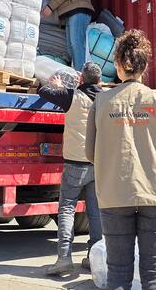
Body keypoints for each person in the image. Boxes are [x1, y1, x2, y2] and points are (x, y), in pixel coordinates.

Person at [86, 30, 156, 290]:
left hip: (114, 194)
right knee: (154, 275)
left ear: (118, 65)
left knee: (117, 274)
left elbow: (88, 153)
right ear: (145, 67)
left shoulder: (101, 101)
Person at [38, 62, 104, 275]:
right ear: (100, 81)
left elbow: (43, 91)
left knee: (67, 209)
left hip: (75, 164)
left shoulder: (71, 96)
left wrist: (57, 85)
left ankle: (64, 258)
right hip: (97, 164)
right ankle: (94, 258)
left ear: (81, 79)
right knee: (95, 213)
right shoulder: (107, 99)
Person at [42, 0, 95, 70]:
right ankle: (77, 71)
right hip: (71, 13)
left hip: (79, 11)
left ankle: (80, 74)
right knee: (71, 47)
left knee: (76, 43)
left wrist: (50, 6)